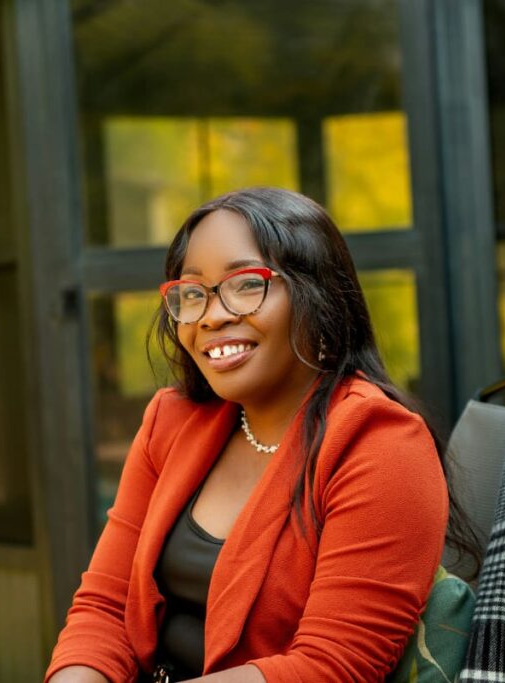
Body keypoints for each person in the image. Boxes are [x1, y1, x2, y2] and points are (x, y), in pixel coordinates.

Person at [45, 187, 471, 683]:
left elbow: (333, 667)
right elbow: (104, 607)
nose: (211, 314)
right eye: (192, 292)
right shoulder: (171, 422)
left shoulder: (380, 443)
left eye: (246, 284)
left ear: (320, 298)